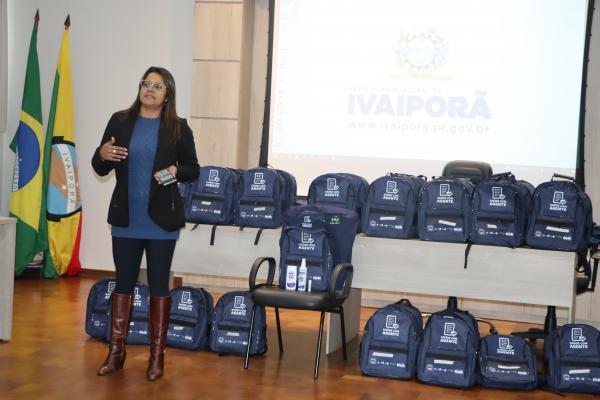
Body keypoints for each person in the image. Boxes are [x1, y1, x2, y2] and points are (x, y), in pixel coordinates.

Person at [91, 66, 199, 381]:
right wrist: (101, 153)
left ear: (168, 96)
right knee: (123, 284)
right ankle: (116, 352)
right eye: (146, 83)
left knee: (159, 286)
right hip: (126, 218)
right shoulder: (120, 121)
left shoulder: (177, 128)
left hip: (161, 221)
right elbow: (99, 165)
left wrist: (176, 172)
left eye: (158, 86)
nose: (150, 89)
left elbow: (194, 168)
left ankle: (156, 357)